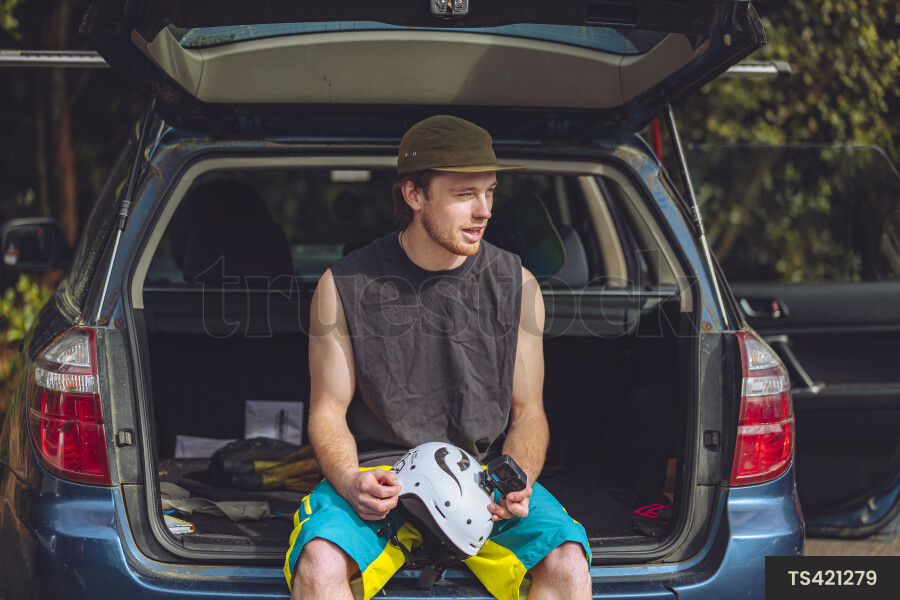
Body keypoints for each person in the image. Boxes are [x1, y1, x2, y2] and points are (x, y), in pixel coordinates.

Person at [284, 115, 591, 600]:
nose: (485, 210)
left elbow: (529, 412)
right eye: (466, 194)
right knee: (319, 563)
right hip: (380, 475)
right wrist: (348, 481)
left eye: (490, 191)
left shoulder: (520, 286)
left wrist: (516, 481)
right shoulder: (342, 287)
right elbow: (327, 411)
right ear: (414, 195)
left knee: (569, 564)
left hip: (485, 479)